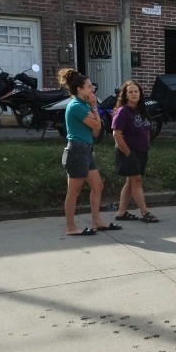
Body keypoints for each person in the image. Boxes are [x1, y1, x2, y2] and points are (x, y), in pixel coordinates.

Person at [59, 68, 116, 236]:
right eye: (89, 86)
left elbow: (96, 132)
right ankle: (70, 227)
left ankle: (96, 221)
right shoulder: (77, 105)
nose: (93, 89)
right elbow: (97, 126)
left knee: (98, 185)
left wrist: (93, 109)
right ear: (80, 89)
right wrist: (94, 107)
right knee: (73, 192)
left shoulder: (84, 105)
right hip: (77, 150)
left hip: (86, 150)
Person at [111, 80, 159, 224]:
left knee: (131, 182)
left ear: (140, 94)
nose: (133, 94)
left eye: (136, 91)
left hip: (142, 151)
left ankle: (121, 212)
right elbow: (116, 134)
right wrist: (128, 153)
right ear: (125, 95)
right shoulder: (123, 111)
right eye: (130, 92)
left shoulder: (142, 110)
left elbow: (147, 129)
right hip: (128, 151)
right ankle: (145, 212)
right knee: (136, 181)